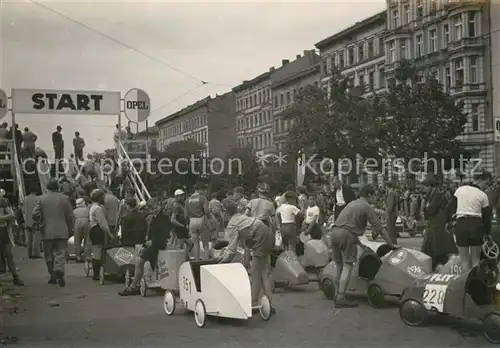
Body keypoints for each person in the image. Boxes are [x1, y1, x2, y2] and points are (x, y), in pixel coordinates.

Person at [326, 184, 396, 308]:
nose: (376, 199)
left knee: (339, 266)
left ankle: (337, 294)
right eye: (375, 196)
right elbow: (380, 229)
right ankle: (341, 298)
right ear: (369, 195)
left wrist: (359, 244)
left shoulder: (351, 204)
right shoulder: (366, 207)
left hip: (334, 232)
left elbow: (346, 225)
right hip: (346, 234)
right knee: (348, 266)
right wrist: (391, 245)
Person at [218, 199, 275, 313]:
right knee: (263, 272)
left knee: (255, 272)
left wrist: (220, 262)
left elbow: (232, 249)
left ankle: (253, 303)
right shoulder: (240, 216)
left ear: (224, 213)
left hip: (260, 235)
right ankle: (269, 303)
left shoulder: (232, 224)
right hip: (267, 232)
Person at [119, 198, 171, 296]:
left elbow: (164, 234)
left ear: (159, 205)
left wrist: (152, 241)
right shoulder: (156, 217)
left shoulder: (163, 218)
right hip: (154, 243)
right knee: (139, 259)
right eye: (152, 209)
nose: (154, 210)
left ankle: (134, 286)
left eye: (155, 207)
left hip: (158, 244)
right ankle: (135, 283)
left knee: (139, 261)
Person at [32, 179, 73, 287]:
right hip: (62, 230)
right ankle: (59, 269)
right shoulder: (65, 198)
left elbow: (34, 214)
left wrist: (41, 220)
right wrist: (70, 228)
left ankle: (52, 274)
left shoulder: (41, 199)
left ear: (47, 188)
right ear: (58, 188)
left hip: (47, 231)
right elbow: (70, 216)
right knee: (61, 252)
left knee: (48, 254)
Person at [451, 170, 492, 272]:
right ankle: (475, 284)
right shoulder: (483, 195)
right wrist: (488, 233)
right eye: (486, 183)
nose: (486, 186)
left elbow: (450, 208)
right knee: (476, 261)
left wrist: (450, 222)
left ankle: (464, 284)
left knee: (464, 261)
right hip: (476, 225)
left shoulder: (460, 190)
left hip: (461, 223)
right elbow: (487, 218)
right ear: (481, 180)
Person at [420, 175, 457, 270]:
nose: (423, 189)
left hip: (437, 224)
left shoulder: (437, 195)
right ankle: (434, 264)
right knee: (433, 245)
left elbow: (431, 210)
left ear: (430, 186)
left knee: (435, 245)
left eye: (424, 187)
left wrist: (424, 204)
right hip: (435, 223)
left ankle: (435, 265)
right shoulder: (434, 195)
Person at [89, 189, 114, 281]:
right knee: (99, 251)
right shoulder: (98, 209)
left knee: (96, 250)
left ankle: (96, 273)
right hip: (98, 230)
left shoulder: (93, 207)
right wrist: (110, 234)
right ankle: (98, 273)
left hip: (93, 229)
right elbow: (103, 223)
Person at [0, 197, 23, 286]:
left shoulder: (2, 202)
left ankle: (15, 277)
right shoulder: (3, 202)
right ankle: (15, 277)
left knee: (9, 255)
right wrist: (10, 216)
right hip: (3, 230)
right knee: (8, 255)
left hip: (4, 231)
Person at [185, 183, 210, 260]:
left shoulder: (187, 200)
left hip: (192, 221)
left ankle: (197, 261)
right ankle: (206, 262)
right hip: (201, 219)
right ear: (200, 190)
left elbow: (185, 215)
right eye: (204, 190)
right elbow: (206, 211)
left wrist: (187, 224)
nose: (205, 192)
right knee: (205, 244)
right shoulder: (203, 198)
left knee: (196, 244)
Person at [23, 183, 41, 259]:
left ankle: (29, 254)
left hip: (27, 221)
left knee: (29, 239)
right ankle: (36, 254)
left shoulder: (25, 199)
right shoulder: (38, 199)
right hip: (36, 221)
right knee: (36, 239)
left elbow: (23, 210)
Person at [171, 189, 190, 253]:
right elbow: (173, 220)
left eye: (183, 195)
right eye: (181, 196)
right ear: (177, 197)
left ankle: (185, 257)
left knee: (188, 243)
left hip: (183, 226)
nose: (183, 197)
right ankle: (179, 258)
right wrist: (182, 226)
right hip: (180, 227)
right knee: (180, 245)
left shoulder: (182, 204)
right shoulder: (176, 205)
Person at [73, 198, 90, 262]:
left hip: (77, 223)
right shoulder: (87, 210)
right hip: (86, 222)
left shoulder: (74, 211)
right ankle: (87, 256)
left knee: (77, 240)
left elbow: (73, 219)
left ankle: (78, 256)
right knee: (87, 240)